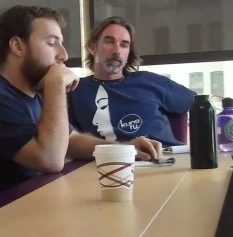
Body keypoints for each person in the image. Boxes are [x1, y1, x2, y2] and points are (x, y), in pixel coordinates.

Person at [0, 6, 162, 211]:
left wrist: (123, 148)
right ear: (17, 46)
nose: (62, 55)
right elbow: (50, 160)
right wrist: (55, 85)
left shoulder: (31, 92)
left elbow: (69, 140)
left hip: (20, 205)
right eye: (52, 43)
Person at [68, 17, 195, 147]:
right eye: (109, 41)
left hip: (167, 157)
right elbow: (67, 140)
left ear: (128, 53)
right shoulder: (76, 90)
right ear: (92, 48)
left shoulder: (149, 81)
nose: (117, 51)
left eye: (124, 45)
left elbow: (199, 104)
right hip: (113, 162)